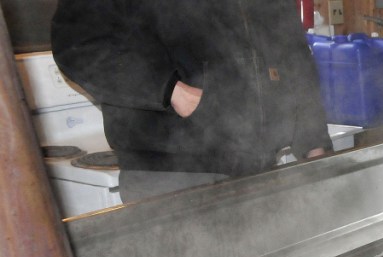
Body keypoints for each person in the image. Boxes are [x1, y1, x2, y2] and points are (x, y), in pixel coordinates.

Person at [50, 0, 331, 202]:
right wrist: (172, 91)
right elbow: (78, 43)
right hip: (171, 179)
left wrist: (313, 142)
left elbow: (292, 55)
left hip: (258, 173)